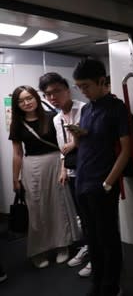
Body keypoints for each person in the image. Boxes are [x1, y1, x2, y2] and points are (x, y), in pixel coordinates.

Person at [71, 58, 130, 296]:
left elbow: (126, 149)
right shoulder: (86, 109)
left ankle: (111, 285)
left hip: (102, 182)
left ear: (101, 81)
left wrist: (108, 183)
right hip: (82, 180)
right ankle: (98, 281)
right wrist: (80, 133)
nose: (83, 91)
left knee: (108, 238)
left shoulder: (116, 108)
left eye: (86, 86)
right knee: (92, 237)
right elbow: (90, 140)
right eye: (79, 87)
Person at [8, 85, 80, 268]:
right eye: (22, 100)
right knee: (37, 209)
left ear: (36, 98)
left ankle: (62, 245)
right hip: (31, 166)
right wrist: (15, 178)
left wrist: (64, 168)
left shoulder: (51, 118)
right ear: (17, 104)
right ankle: (38, 250)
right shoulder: (17, 124)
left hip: (56, 163)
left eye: (29, 98)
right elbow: (17, 153)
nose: (27, 103)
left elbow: (64, 145)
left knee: (59, 205)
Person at [38, 72, 91, 278]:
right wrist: (63, 168)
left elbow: (90, 141)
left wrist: (75, 143)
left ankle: (98, 254)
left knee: (95, 217)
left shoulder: (85, 109)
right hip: (72, 170)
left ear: (67, 90)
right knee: (82, 215)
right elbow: (63, 149)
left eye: (56, 91)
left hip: (90, 170)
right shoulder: (57, 118)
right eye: (47, 94)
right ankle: (88, 246)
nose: (52, 97)